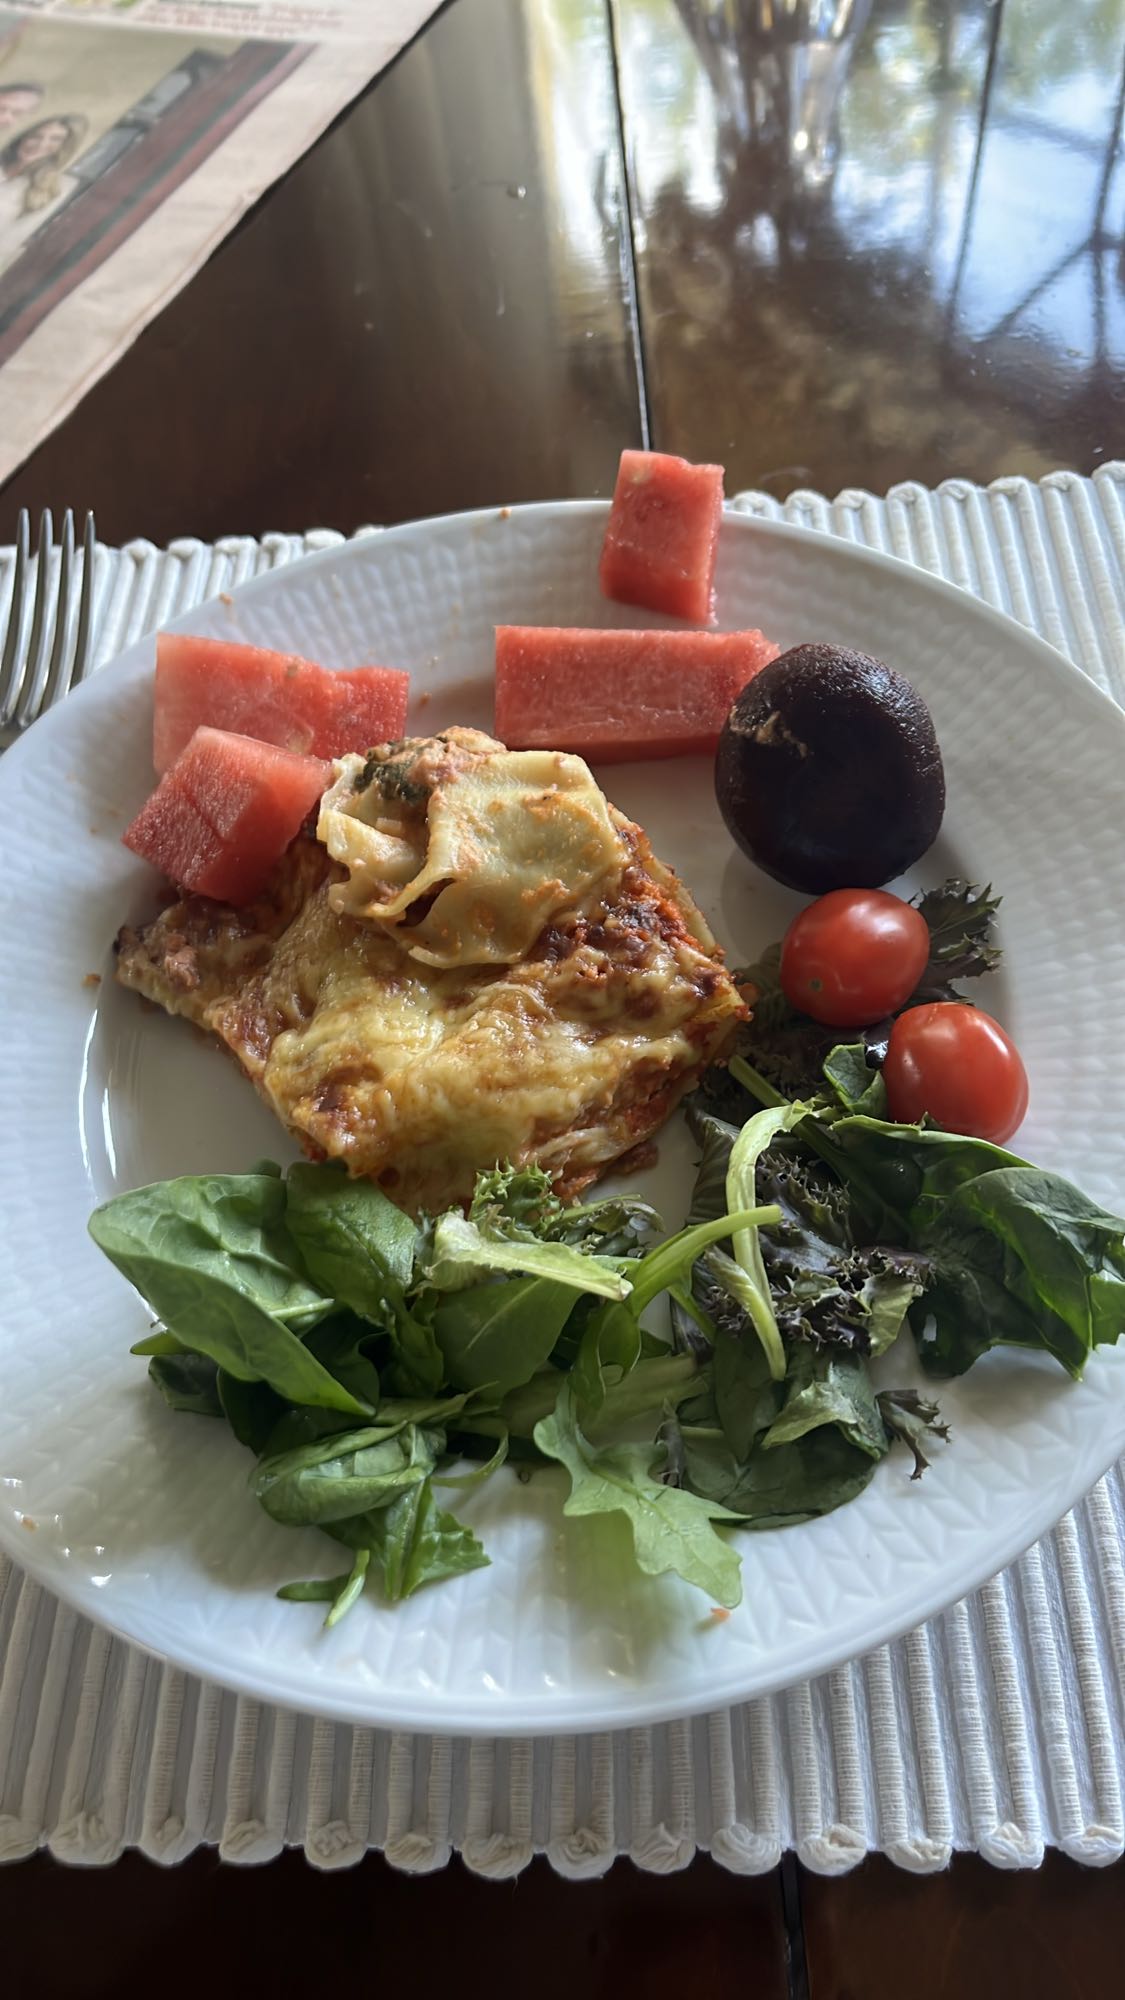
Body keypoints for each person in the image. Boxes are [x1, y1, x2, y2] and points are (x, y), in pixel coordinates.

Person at [0, 112, 88, 275]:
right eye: (36, 136)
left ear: (64, 146)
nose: (41, 144)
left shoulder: (56, 188)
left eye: (55, 139)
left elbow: (10, 243)